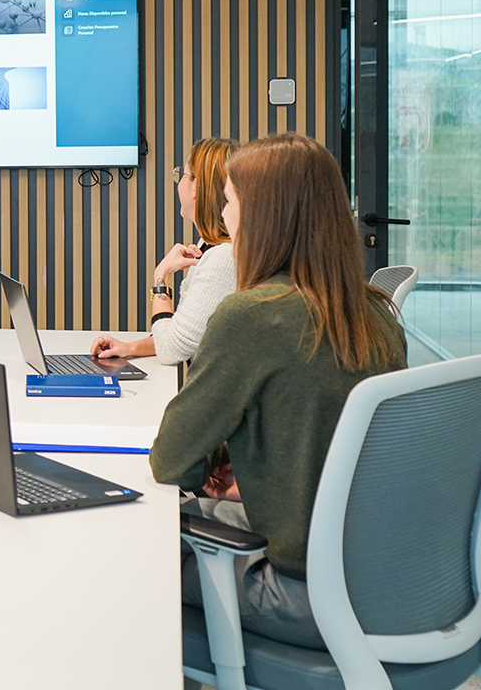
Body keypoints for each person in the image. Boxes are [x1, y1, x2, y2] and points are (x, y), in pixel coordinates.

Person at [148, 133, 406, 649]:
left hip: (303, 592)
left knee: (134, 549)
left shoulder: (252, 315)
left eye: (229, 202)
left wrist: (216, 469)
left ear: (265, 215)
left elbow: (170, 463)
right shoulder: (376, 311)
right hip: (384, 575)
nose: (224, 218)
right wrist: (254, 473)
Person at [90, 138, 239, 366]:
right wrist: (129, 348)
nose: (178, 184)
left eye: (183, 175)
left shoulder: (222, 258)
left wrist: (160, 277)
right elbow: (186, 334)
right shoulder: (208, 247)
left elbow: (172, 351)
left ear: (197, 189)